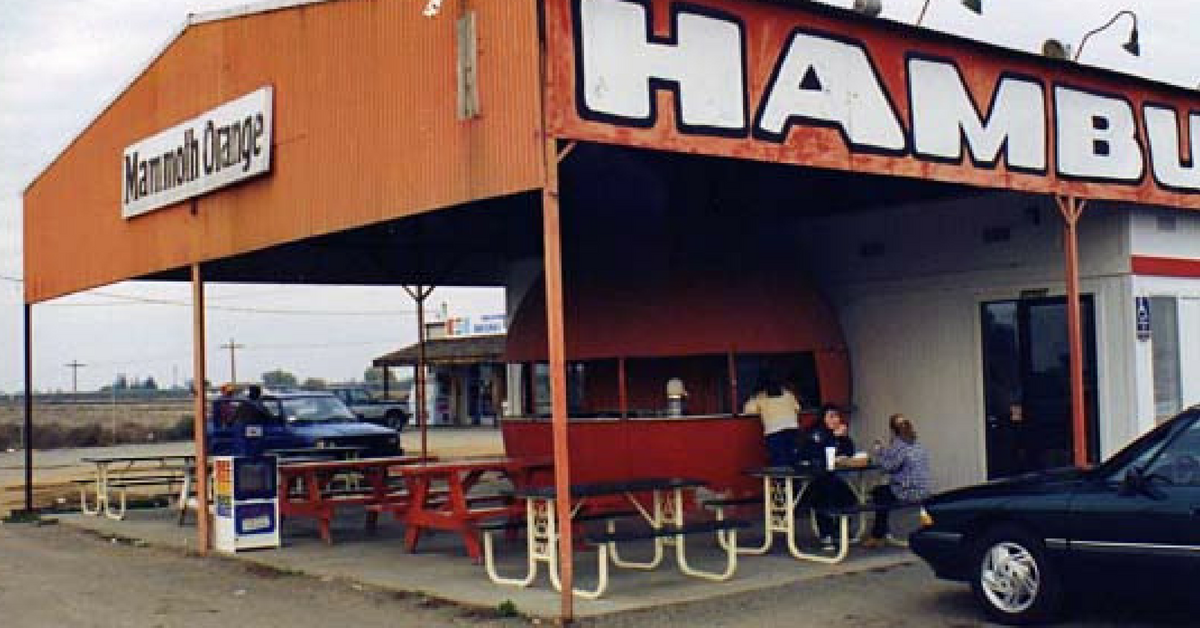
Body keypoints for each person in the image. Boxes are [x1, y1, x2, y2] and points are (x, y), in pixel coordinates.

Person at [862, 413, 932, 548]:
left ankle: (877, 536)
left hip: (909, 491)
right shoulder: (916, 442)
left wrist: (878, 452)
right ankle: (882, 532)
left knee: (879, 494)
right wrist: (884, 451)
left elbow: (889, 466)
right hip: (923, 489)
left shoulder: (900, 443)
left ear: (893, 430)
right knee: (882, 493)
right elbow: (894, 458)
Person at [798, 405, 858, 550]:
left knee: (850, 498)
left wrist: (844, 438)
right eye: (831, 416)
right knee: (824, 498)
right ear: (823, 418)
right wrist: (834, 437)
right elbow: (816, 454)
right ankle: (826, 534)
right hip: (814, 478)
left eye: (837, 416)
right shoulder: (816, 433)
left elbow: (849, 451)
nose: (835, 420)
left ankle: (840, 531)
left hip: (832, 477)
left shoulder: (837, 433)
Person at [743, 378, 800, 467]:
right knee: (793, 459)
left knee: (779, 462)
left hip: (774, 431)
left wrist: (752, 397)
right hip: (792, 428)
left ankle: (781, 481)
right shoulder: (787, 394)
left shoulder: (760, 396)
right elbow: (798, 408)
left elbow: (748, 410)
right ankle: (795, 480)